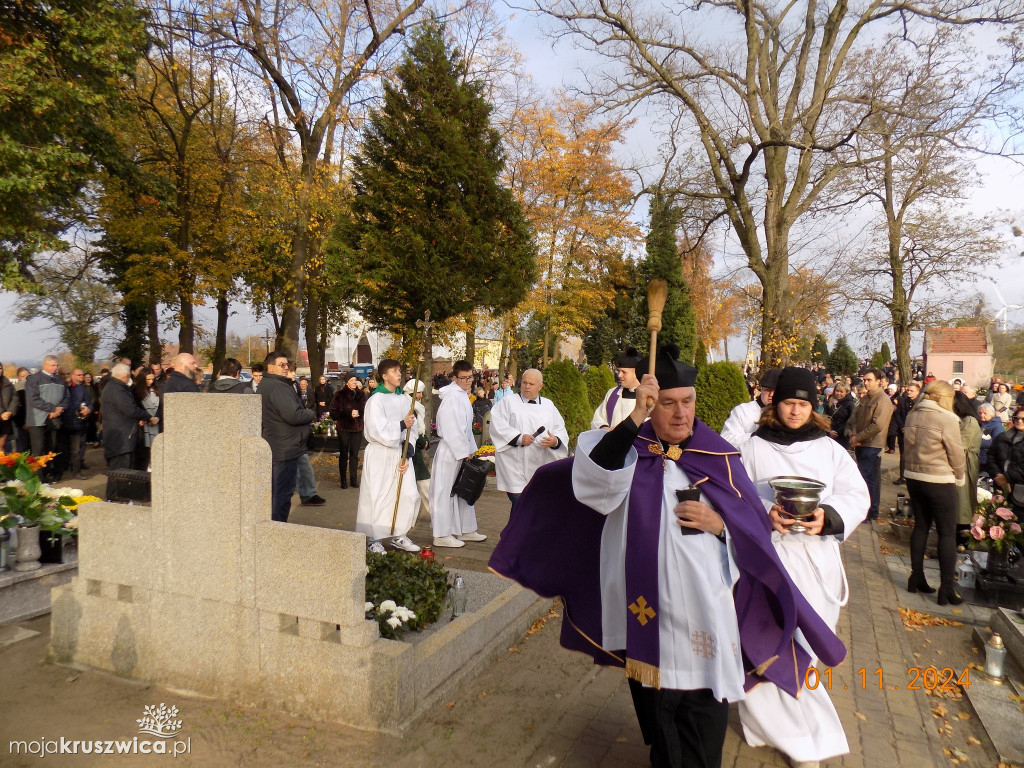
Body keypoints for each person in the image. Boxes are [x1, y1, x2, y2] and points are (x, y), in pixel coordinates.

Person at [490, 346, 845, 768]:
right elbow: (594, 482)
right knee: (658, 712)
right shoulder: (626, 450)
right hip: (645, 609)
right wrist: (634, 418)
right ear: (649, 405)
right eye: (667, 404)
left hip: (704, 611)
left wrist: (721, 524)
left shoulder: (719, 456)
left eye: (687, 402)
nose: (680, 414)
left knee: (701, 711)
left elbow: (753, 527)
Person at [736, 367, 869, 768]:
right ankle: (782, 732)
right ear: (776, 403)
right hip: (767, 558)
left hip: (814, 561)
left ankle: (801, 727)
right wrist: (764, 511)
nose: (795, 411)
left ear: (814, 407)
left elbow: (856, 495)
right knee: (764, 641)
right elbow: (734, 496)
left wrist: (827, 516)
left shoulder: (829, 450)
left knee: (806, 646)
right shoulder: (751, 447)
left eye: (803, 404)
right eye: (789, 403)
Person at [904, 381, 966, 605]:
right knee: (947, 533)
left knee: (921, 526)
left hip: (914, 476)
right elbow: (956, 453)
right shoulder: (947, 418)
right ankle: (947, 588)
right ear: (945, 397)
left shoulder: (913, 415)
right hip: (939, 478)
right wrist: (960, 477)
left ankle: (916, 576)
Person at [356, 359, 421, 553]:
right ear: (384, 376)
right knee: (379, 495)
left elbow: (414, 428)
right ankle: (373, 539)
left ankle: (398, 534)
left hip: (399, 454)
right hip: (381, 454)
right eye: (394, 371)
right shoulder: (376, 400)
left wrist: (408, 450)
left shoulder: (403, 400)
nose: (399, 374)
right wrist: (401, 425)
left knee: (406, 494)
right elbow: (376, 430)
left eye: (400, 370)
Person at [489, 368, 569, 509]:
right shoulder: (508, 402)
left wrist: (555, 441)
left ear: (540, 386)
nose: (526, 386)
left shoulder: (548, 405)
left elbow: (560, 428)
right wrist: (519, 438)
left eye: (531, 384)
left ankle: (517, 531)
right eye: (524, 382)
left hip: (540, 462)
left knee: (533, 506)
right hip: (514, 464)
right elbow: (497, 425)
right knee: (521, 504)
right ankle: (516, 531)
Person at [430, 360, 487, 548]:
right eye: (463, 378)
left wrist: (471, 449)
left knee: (463, 490)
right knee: (444, 491)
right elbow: (449, 428)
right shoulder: (452, 397)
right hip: (450, 450)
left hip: (461, 450)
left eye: (470, 377)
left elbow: (466, 428)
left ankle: (465, 529)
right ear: (454, 378)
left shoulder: (462, 395)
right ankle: (441, 534)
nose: (468, 381)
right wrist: (463, 450)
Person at [259, 351, 315, 523]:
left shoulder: (270, 384)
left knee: (277, 494)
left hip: (279, 446)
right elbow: (293, 415)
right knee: (281, 496)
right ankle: (276, 531)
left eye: (286, 365)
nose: (285, 368)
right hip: (284, 449)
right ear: (270, 367)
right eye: (281, 365)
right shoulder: (278, 387)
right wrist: (311, 413)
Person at [100, 364, 158, 501]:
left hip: (121, 435)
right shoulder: (117, 389)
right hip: (121, 438)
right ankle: (114, 499)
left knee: (122, 470)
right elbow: (129, 409)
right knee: (120, 470)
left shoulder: (114, 387)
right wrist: (148, 417)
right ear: (125, 376)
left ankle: (119, 498)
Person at [848, 367, 894, 522]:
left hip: (872, 444)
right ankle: (867, 510)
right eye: (864, 380)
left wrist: (858, 436)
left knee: (867, 478)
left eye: (869, 380)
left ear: (878, 381)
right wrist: (854, 434)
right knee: (866, 478)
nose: (866, 383)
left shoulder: (882, 399)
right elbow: (856, 417)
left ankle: (870, 511)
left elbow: (877, 425)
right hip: (861, 442)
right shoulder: (866, 398)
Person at [25, 355, 70, 479]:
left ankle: (50, 474)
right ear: (45, 365)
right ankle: (37, 479)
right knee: (38, 450)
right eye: (53, 365)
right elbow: (33, 400)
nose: (56, 368)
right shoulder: (34, 379)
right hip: (37, 420)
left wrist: (60, 409)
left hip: (54, 419)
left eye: (57, 365)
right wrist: (52, 408)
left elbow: (67, 398)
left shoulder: (60, 380)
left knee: (52, 448)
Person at [720, 368, 780, 447]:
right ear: (760, 389)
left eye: (775, 391)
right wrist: (754, 436)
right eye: (768, 390)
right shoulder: (742, 411)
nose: (771, 394)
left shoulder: (786, 414)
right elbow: (726, 439)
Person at [404, 379, 434, 523]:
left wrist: (425, 440)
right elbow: (413, 430)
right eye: (418, 392)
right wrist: (424, 442)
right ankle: (435, 513)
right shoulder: (409, 407)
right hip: (411, 451)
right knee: (424, 483)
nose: (420, 395)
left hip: (415, 449)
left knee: (420, 484)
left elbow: (420, 429)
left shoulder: (415, 407)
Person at [986, 405, 1024, 517]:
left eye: (1023, 419)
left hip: (1019, 488)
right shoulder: (1002, 437)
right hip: (1000, 486)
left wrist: (1008, 478)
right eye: (1016, 418)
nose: (1019, 421)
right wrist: (997, 475)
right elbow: (991, 457)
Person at [591, 349, 642, 431]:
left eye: (624, 372)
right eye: (619, 371)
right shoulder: (612, 393)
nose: (619, 375)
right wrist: (605, 429)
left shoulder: (649, 397)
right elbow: (598, 418)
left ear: (637, 373)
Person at [953, 391, 982, 538]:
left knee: (962, 502)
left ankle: (962, 537)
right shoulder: (962, 419)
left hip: (966, 465)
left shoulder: (969, 421)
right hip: (960, 463)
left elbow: (960, 444)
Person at [330, 374, 365, 489]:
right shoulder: (339, 395)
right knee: (344, 454)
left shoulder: (361, 395)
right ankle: (343, 480)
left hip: (357, 428)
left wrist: (359, 413)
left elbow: (366, 410)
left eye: (355, 380)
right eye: (352, 380)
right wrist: (348, 413)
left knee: (354, 455)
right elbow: (333, 413)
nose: (354, 382)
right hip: (344, 428)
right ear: (346, 382)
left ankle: (354, 480)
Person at [60, 369, 93, 479]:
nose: (82, 377)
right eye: (79, 375)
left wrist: (88, 409)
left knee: (77, 449)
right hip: (61, 422)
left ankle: (76, 471)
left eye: (83, 375)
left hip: (77, 422)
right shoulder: (61, 387)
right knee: (62, 448)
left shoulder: (81, 389)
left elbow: (89, 403)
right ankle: (61, 469)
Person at [158, 352, 201, 422]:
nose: (196, 366)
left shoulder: (169, 381)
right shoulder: (187, 385)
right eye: (192, 363)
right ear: (181, 365)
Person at [132, 367, 160, 470]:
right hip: (143, 428)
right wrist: (147, 418)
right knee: (143, 455)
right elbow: (134, 407)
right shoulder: (135, 390)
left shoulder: (156, 389)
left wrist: (157, 417)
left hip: (155, 425)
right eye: (148, 379)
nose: (151, 381)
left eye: (152, 379)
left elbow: (161, 405)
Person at [827, 381, 856, 451]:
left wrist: (838, 431)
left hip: (843, 436)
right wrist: (829, 431)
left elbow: (851, 420)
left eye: (841, 391)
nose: (839, 393)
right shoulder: (829, 402)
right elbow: (825, 418)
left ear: (846, 392)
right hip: (829, 435)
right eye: (837, 391)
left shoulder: (850, 404)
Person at [978, 402, 1005, 471]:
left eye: (984, 413)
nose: (982, 415)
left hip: (988, 459)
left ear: (991, 414)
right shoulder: (979, 423)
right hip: (979, 458)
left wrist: (976, 443)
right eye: (980, 413)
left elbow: (996, 442)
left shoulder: (996, 426)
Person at [0, 366, 17, 454]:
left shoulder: (7, 383)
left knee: (2, 448)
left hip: (5, 420)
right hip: (2, 416)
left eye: (0, 368)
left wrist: (10, 411)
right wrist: (1, 413)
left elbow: (15, 398)